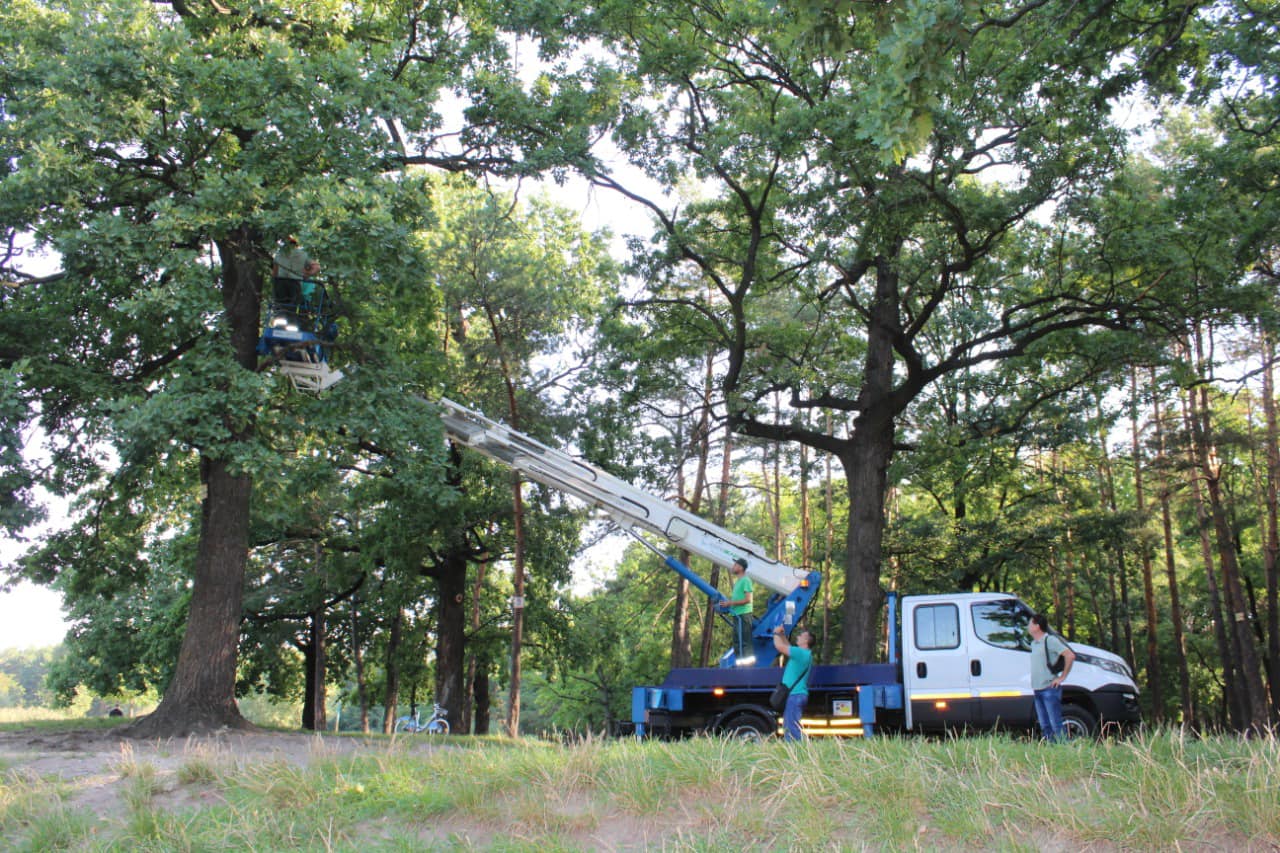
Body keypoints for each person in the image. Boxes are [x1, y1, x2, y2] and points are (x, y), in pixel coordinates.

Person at [1028, 612, 1075, 742]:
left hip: (1049, 688)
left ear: (1037, 626)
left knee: (1055, 724)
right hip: (1037, 689)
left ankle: (1065, 748)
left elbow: (1070, 655)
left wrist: (1062, 677)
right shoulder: (1034, 644)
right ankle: (1051, 750)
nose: (1028, 626)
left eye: (1030, 623)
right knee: (1044, 725)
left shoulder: (1050, 640)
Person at [773, 624, 814, 742]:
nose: (798, 636)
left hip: (795, 695)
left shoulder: (800, 653)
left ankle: (797, 751)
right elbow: (787, 646)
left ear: (806, 640)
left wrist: (775, 633)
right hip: (798, 694)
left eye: (801, 635)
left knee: (791, 727)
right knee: (791, 724)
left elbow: (779, 647)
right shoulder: (804, 654)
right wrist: (782, 635)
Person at [718, 557, 755, 664]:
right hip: (737, 615)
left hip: (744, 614)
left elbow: (748, 599)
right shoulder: (738, 582)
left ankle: (748, 668)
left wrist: (730, 603)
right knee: (737, 641)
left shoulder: (746, 580)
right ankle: (740, 665)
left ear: (740, 567)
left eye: (735, 565)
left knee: (745, 641)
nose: (733, 567)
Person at [272, 237, 322, 311]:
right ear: (295, 245)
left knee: (280, 306)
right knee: (293, 306)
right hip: (295, 283)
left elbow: (274, 273)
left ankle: (280, 317)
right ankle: (291, 319)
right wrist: (306, 274)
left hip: (280, 283)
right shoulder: (303, 254)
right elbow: (317, 267)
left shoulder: (279, 254)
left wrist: (273, 283)